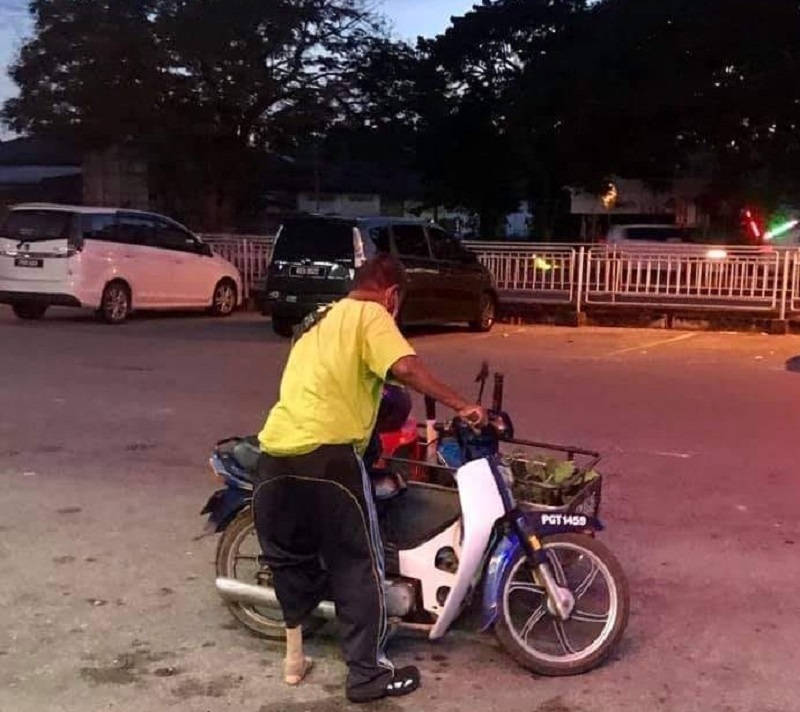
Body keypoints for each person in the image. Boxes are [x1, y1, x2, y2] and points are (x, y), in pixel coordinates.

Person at [252, 254, 487, 704]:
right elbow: (405, 369)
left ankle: (296, 658)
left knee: (299, 556)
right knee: (360, 564)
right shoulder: (371, 314)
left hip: (275, 455)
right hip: (328, 460)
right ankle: (366, 676)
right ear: (392, 295)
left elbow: (339, 388)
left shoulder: (318, 320)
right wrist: (463, 406)